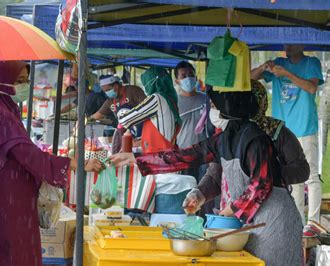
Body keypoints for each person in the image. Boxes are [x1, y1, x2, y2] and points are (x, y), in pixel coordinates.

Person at [110, 89, 303, 265]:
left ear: (228, 109)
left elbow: (261, 184)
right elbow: (184, 156)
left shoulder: (256, 139)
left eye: (213, 106)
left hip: (276, 220)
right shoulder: (224, 138)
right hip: (249, 222)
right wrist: (135, 158)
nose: (211, 112)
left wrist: (232, 209)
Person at [0, 61, 104, 266]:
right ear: (2, 83)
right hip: (7, 198)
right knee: (13, 251)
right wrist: (75, 164)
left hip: (14, 195)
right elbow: (28, 155)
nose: (25, 85)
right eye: (19, 81)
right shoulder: (0, 116)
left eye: (26, 80)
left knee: (17, 249)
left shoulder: (6, 109)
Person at [188, 80, 310, 228]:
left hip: (271, 216)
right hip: (231, 215)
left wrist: (268, 173)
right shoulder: (230, 133)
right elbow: (215, 175)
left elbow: (302, 170)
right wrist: (199, 194)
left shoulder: (278, 132)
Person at [251, 44, 324, 225]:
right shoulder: (278, 63)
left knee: (312, 177)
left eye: (292, 43)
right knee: (293, 178)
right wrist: (262, 67)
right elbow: (248, 79)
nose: (288, 47)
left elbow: (311, 88)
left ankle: (314, 223)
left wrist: (287, 74)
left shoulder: (311, 62)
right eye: (286, 43)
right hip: (282, 133)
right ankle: (298, 222)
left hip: (305, 128)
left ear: (302, 44)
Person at [117, 66, 196, 213]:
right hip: (165, 163)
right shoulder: (170, 100)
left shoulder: (157, 99)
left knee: (161, 214)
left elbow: (126, 119)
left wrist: (123, 108)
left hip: (161, 166)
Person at [90, 75, 146, 153]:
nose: (107, 93)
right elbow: (98, 115)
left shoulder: (133, 91)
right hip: (127, 137)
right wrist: (85, 120)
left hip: (144, 133)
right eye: (105, 91)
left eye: (108, 90)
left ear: (116, 86)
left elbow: (146, 108)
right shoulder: (111, 101)